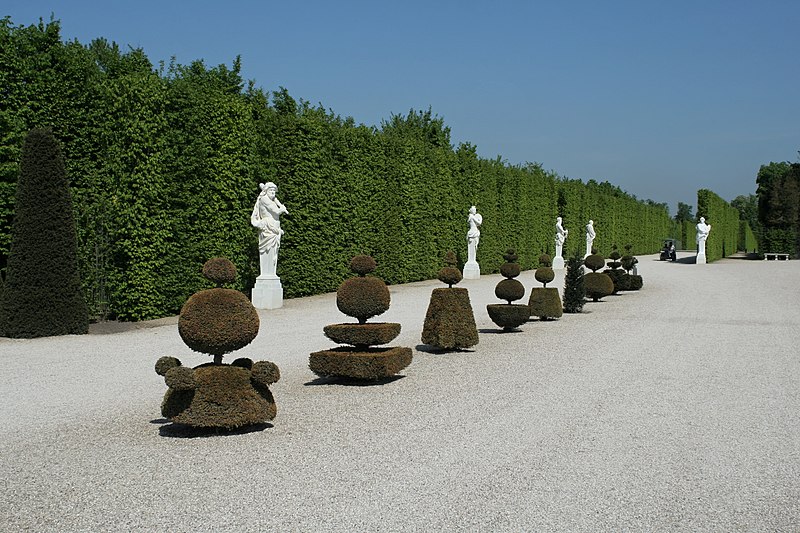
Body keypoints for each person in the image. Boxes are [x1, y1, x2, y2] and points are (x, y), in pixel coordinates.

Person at [251, 182, 288, 278]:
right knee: (267, 251)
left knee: (274, 252)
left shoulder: (272, 200)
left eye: (274, 190)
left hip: (274, 227)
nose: (273, 192)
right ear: (266, 191)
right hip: (268, 227)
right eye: (270, 190)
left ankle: (272, 275)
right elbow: (275, 211)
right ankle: (266, 275)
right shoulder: (264, 199)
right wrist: (282, 209)